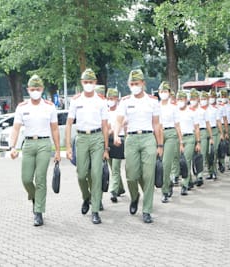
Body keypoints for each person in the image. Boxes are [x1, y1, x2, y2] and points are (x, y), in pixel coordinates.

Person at [9, 74, 61, 227]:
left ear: (42, 89)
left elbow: (55, 129)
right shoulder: (22, 107)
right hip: (29, 144)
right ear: (28, 90)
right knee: (26, 179)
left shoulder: (49, 106)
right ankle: (35, 198)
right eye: (32, 89)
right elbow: (16, 128)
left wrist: (58, 150)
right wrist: (13, 147)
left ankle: (38, 212)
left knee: (40, 178)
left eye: (38, 89)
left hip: (44, 144)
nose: (35, 91)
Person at [114, 69, 163, 223]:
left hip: (148, 138)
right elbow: (119, 120)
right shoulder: (125, 101)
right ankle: (135, 196)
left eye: (137, 83)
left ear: (143, 83)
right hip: (132, 139)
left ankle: (147, 210)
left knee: (148, 176)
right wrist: (116, 134)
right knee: (132, 175)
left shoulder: (153, 101)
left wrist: (160, 144)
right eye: (132, 84)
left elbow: (156, 124)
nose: (134, 86)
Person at [65, 68, 109, 225]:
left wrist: (106, 148)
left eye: (91, 82)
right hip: (82, 138)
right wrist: (68, 146)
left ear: (95, 83)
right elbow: (69, 123)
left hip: (97, 138)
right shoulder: (76, 100)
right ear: (82, 83)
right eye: (86, 82)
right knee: (81, 174)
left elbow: (105, 125)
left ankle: (95, 210)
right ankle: (86, 197)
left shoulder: (102, 100)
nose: (89, 84)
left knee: (96, 174)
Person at [158, 81, 182, 203]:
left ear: (169, 93)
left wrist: (181, 142)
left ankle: (165, 191)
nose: (163, 93)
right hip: (158, 135)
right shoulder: (155, 106)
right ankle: (167, 183)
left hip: (171, 134)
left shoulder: (173, 107)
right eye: (161, 91)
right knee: (159, 164)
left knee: (166, 164)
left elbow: (177, 125)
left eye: (165, 91)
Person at [176, 89, 201, 196]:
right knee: (180, 161)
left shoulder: (191, 112)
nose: (180, 101)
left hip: (190, 138)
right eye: (178, 99)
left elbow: (196, 128)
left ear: (186, 100)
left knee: (186, 160)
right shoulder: (175, 112)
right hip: (178, 139)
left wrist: (198, 142)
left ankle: (184, 185)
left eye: (181, 99)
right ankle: (189, 180)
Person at [106, 88, 126, 203]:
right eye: (108, 98)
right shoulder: (106, 111)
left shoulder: (120, 111)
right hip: (108, 141)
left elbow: (123, 123)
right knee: (112, 167)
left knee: (115, 167)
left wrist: (113, 130)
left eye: (112, 98)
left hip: (118, 140)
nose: (110, 101)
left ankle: (113, 191)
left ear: (116, 99)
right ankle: (120, 188)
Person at [194, 90, 213, 186]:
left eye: (195, 98)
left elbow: (208, 124)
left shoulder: (203, 111)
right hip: (192, 133)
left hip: (202, 132)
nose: (194, 100)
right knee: (193, 156)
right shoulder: (189, 110)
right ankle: (195, 175)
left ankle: (200, 176)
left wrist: (211, 137)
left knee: (201, 155)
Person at [205, 89, 224, 180]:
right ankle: (210, 171)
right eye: (210, 97)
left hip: (215, 131)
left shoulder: (216, 109)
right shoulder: (204, 109)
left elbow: (218, 121)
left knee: (214, 151)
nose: (211, 99)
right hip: (206, 132)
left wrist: (221, 133)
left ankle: (214, 171)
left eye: (213, 97)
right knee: (208, 153)